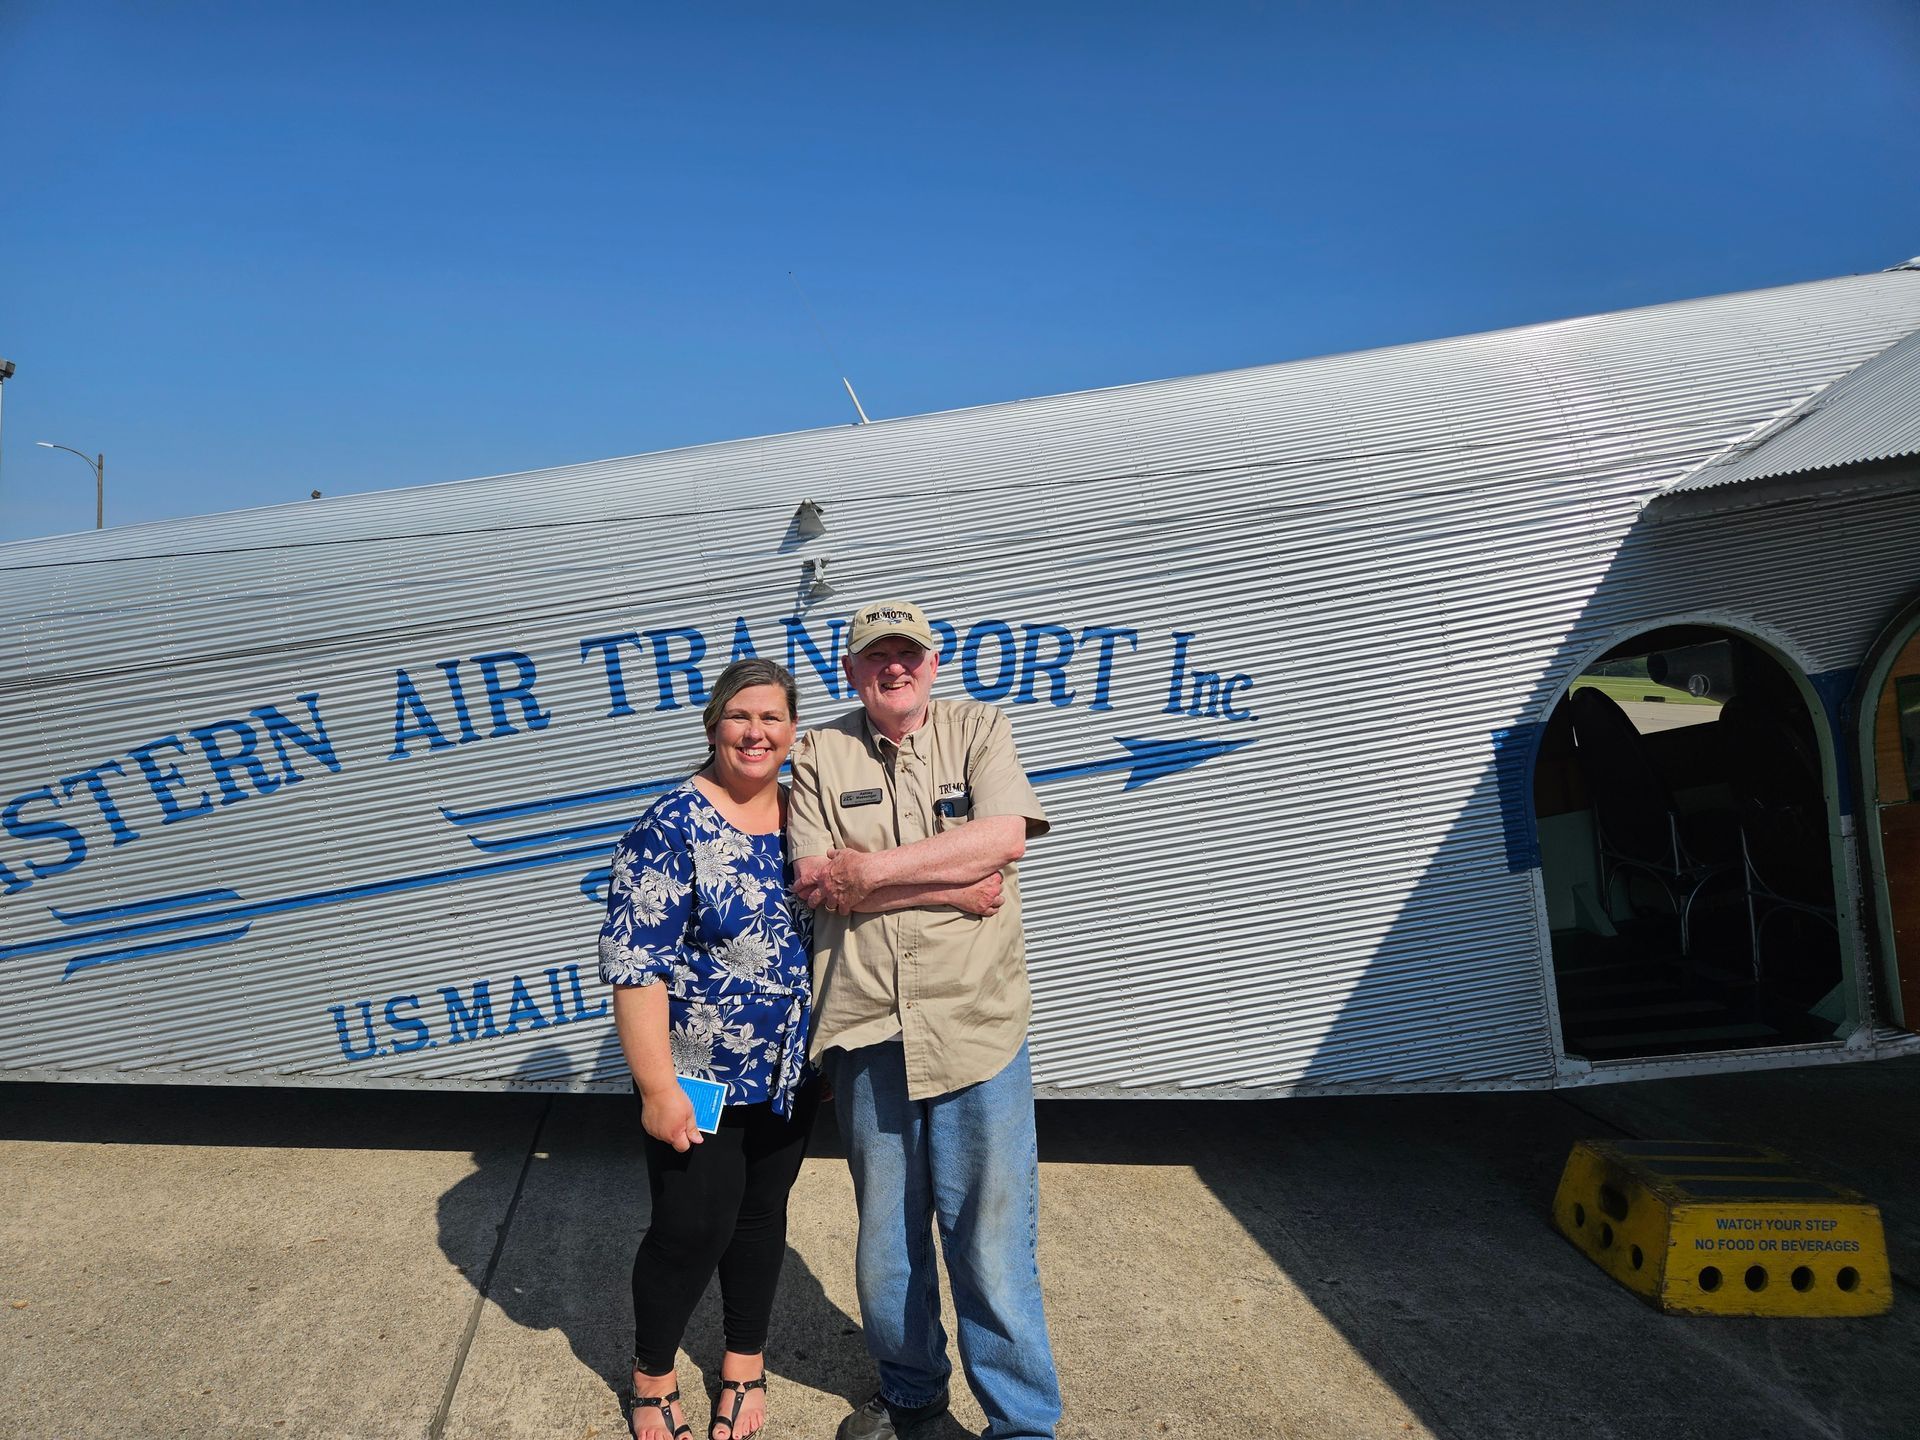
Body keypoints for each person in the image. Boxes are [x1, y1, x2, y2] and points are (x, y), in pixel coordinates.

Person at [789, 598, 1063, 1440]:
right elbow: (812, 881)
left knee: (990, 1238)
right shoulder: (816, 753)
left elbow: (1006, 838)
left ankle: (1021, 1425)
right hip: (867, 1029)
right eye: (876, 657)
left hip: (976, 1026)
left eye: (907, 654)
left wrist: (864, 874)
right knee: (889, 1243)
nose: (893, 667)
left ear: (933, 664)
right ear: (852, 671)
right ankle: (912, 1395)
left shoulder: (979, 729)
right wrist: (947, 880)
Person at [597, 658, 818, 1440]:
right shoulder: (672, 824)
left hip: (793, 1071)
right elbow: (636, 965)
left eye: (773, 719)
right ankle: (653, 1378)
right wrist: (658, 1089)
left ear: (793, 733)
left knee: (760, 1219)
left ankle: (743, 1365)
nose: (756, 733)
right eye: (740, 716)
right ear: (713, 724)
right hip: (698, 1073)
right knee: (691, 1230)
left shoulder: (807, 815)